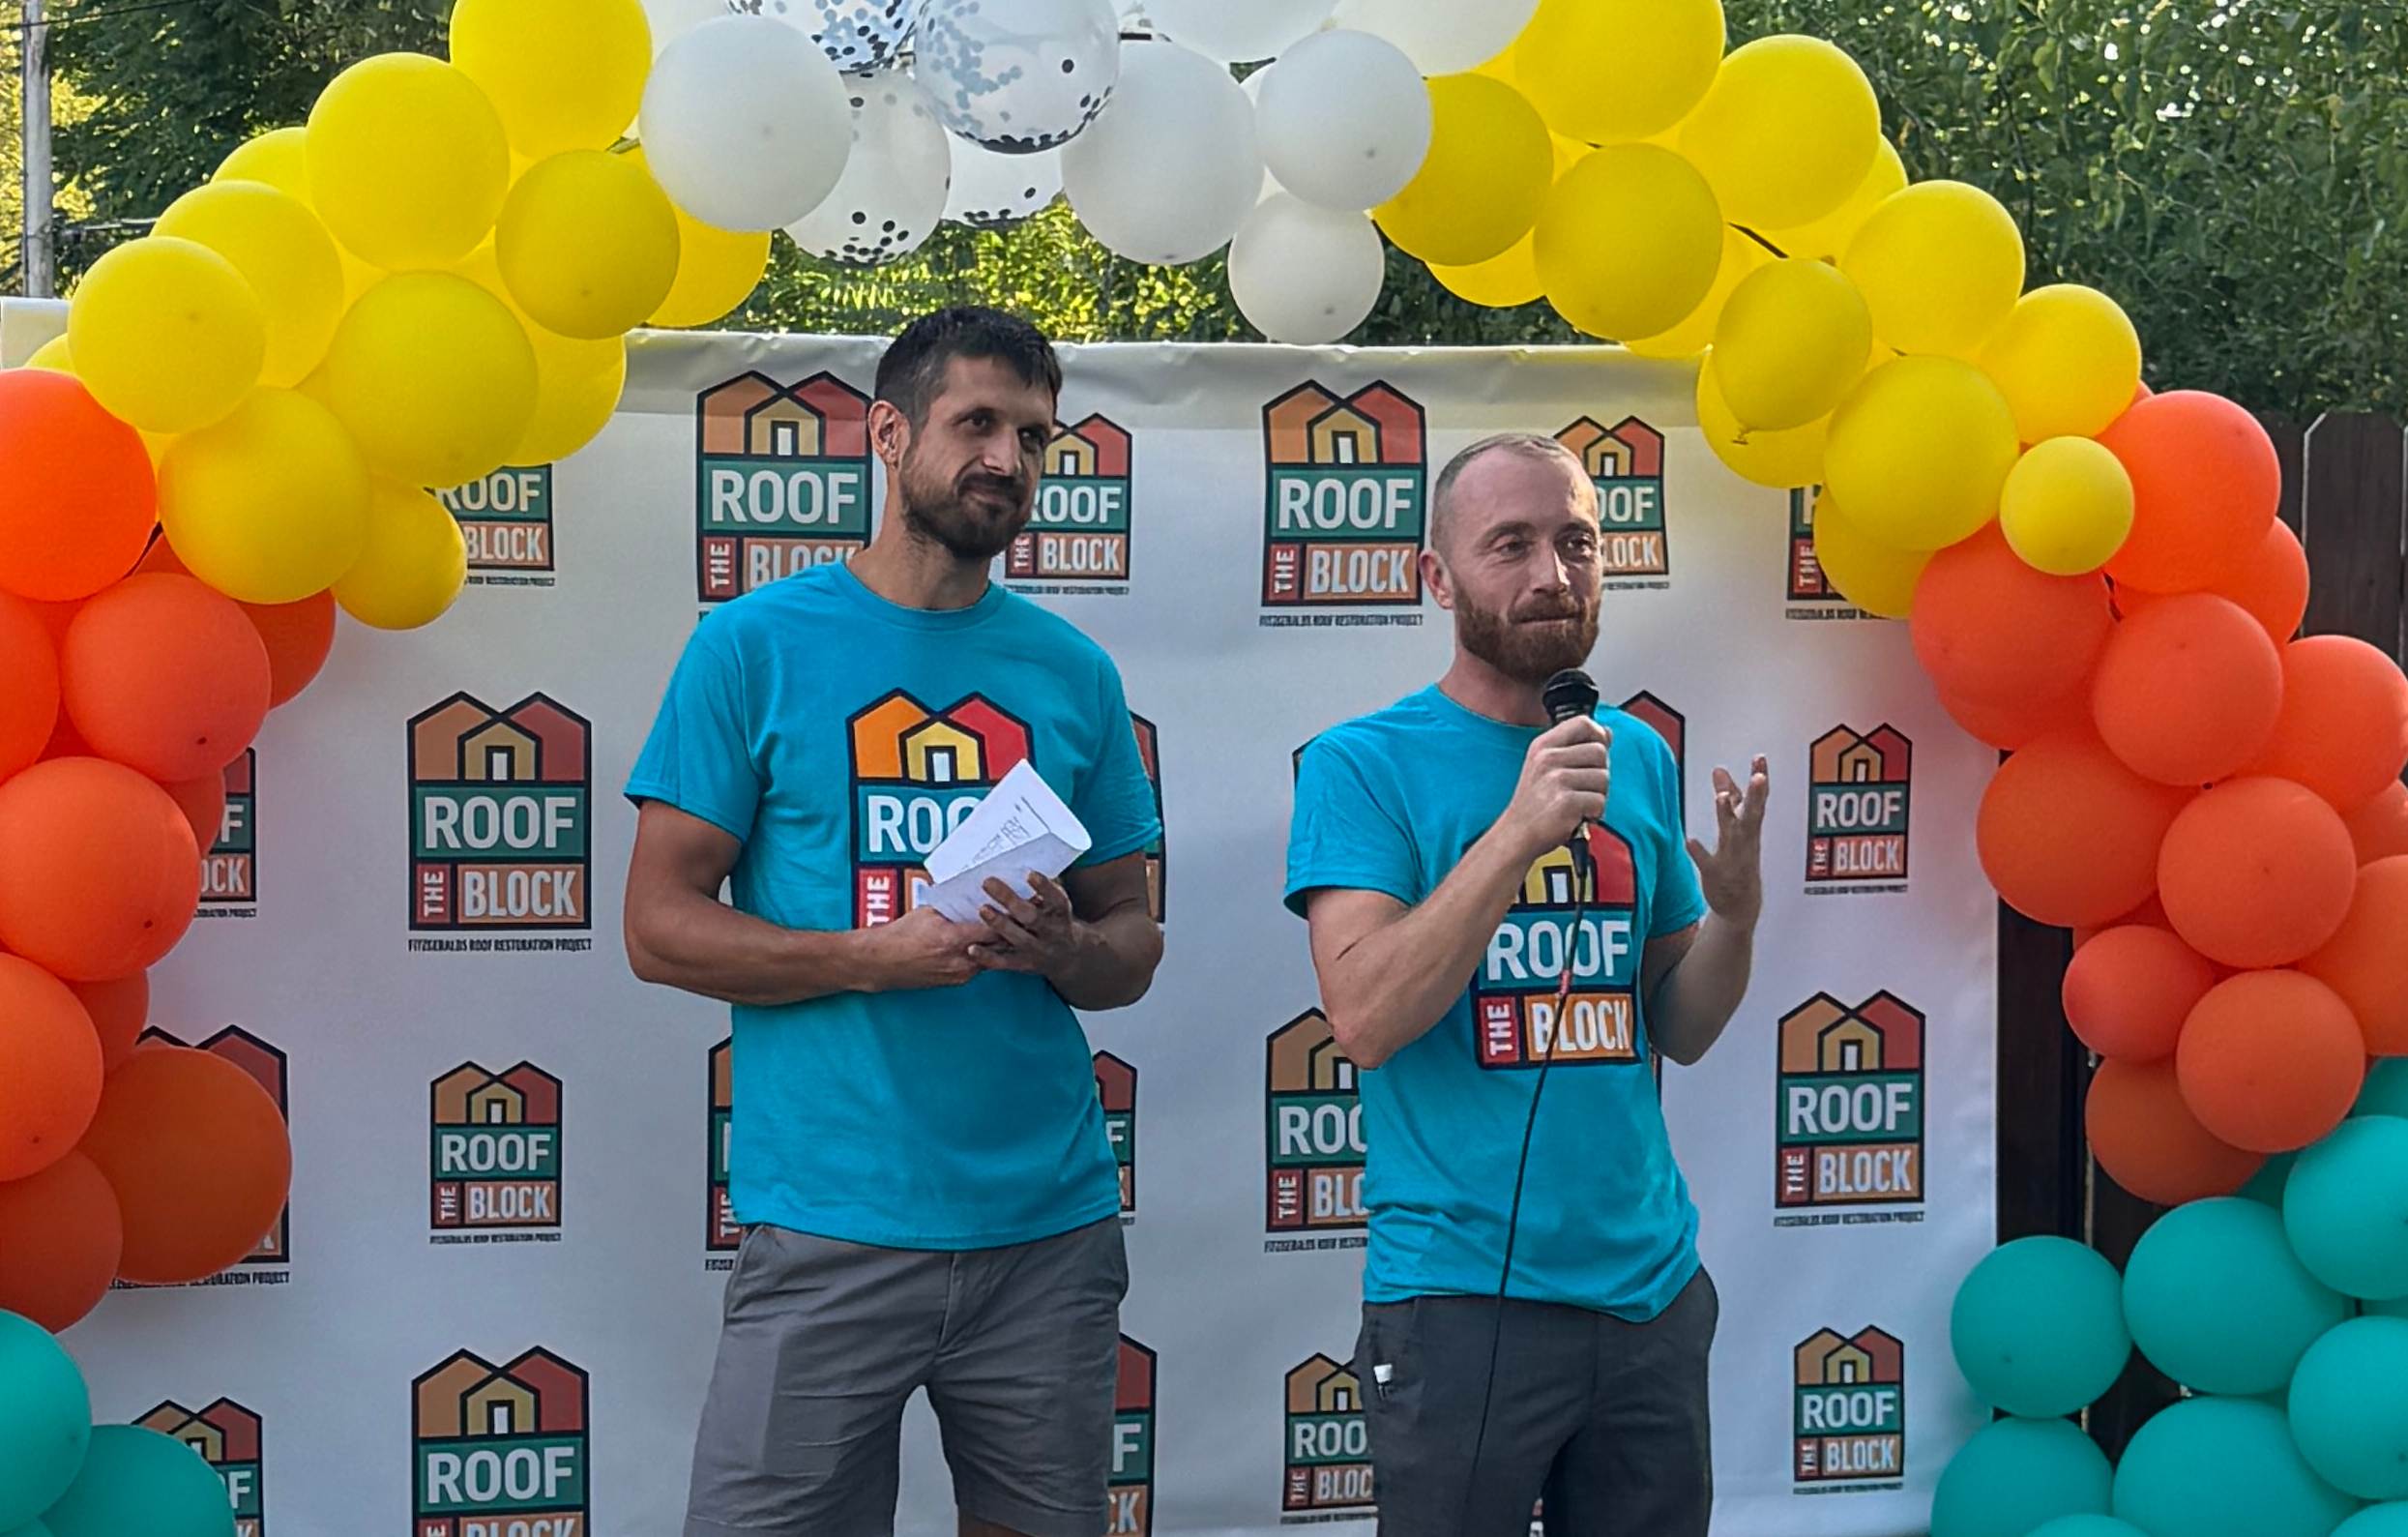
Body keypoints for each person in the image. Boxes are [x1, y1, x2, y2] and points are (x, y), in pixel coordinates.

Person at [622, 307, 1165, 1537]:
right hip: (825, 1228)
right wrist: (874, 955)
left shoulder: (1074, 672)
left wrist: (1067, 948)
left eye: (1035, 436)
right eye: (978, 423)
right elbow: (656, 926)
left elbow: (1134, 941)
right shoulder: (751, 646)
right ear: (888, 432)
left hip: (1048, 1234)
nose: (1008, 461)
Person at [1284, 432, 1770, 1535]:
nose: (1553, 573)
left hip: (1650, 1288)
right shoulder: (1362, 764)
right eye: (1511, 544)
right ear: (1437, 577)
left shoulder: (1632, 753)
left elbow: (1679, 1027)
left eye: (1577, 541)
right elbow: (1363, 1015)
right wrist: (1516, 832)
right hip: (1464, 1298)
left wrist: (1736, 914)